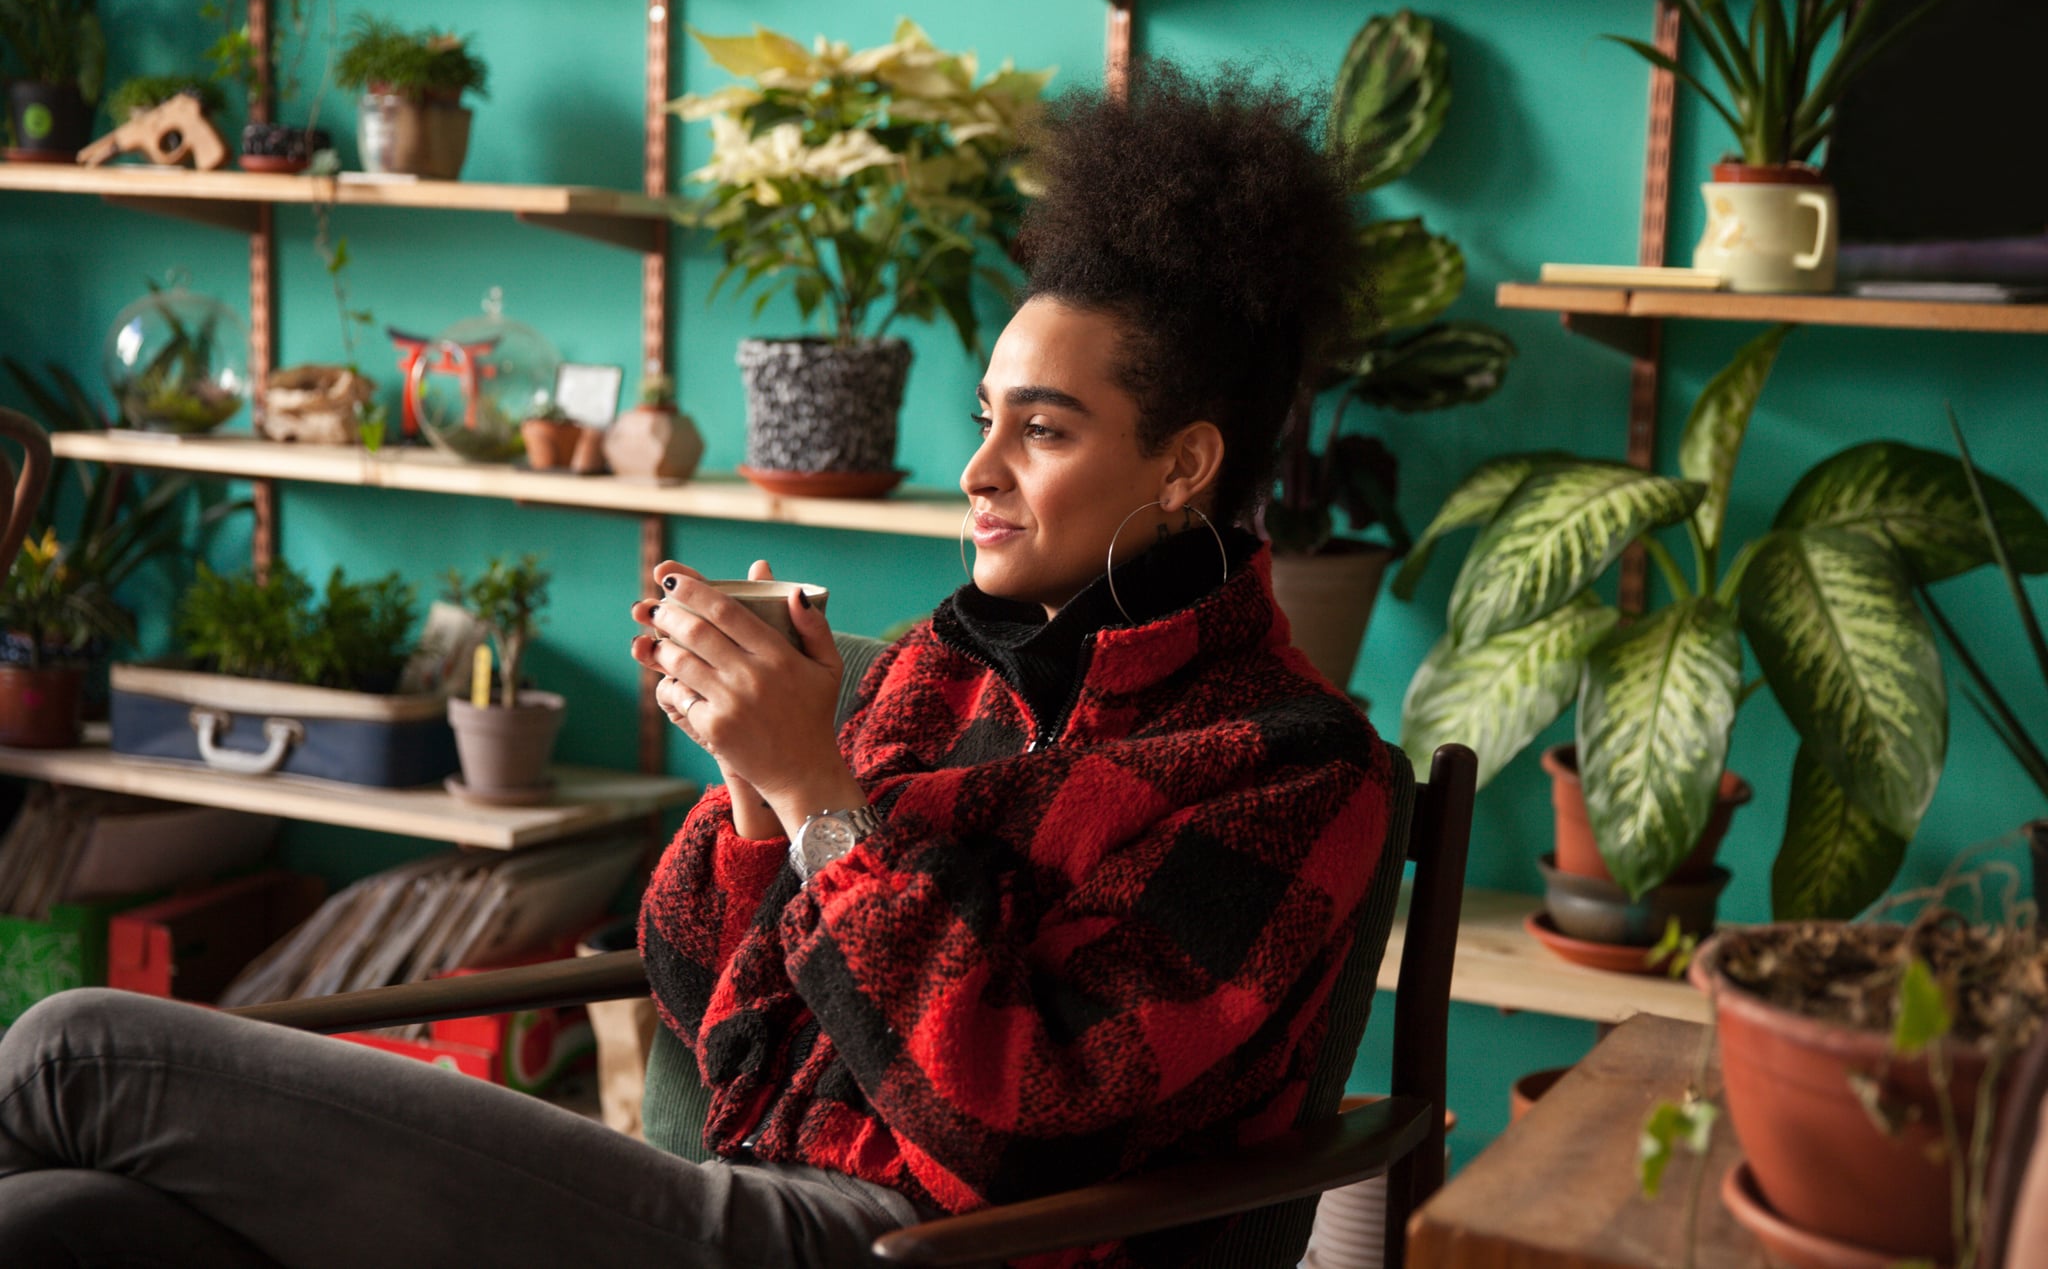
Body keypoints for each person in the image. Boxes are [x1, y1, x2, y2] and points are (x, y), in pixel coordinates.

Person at [0, 61, 1394, 1269]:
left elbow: (1015, 1114)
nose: (975, 470)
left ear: (1186, 463)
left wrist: (818, 793)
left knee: (72, 1051)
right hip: (734, 1200)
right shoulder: (936, 670)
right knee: (68, 1222)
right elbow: (691, 989)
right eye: (986, 417)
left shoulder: (1291, 767)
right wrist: (749, 790)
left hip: (912, 1245)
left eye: (1043, 430)